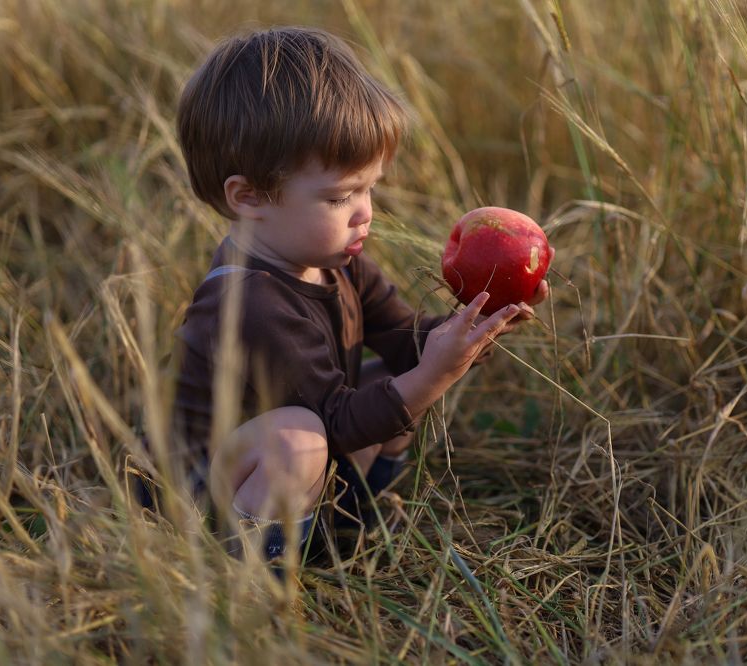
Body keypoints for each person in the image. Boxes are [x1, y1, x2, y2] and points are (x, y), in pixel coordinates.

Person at [164, 26, 549, 563]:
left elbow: (405, 341)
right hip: (194, 496)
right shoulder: (249, 304)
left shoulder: (338, 264)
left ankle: (347, 527)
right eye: (339, 196)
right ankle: (256, 574)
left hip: (286, 461)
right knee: (300, 437)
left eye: (369, 187)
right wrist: (433, 375)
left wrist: (479, 326)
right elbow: (339, 421)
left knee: (387, 382)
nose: (365, 212)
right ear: (249, 196)